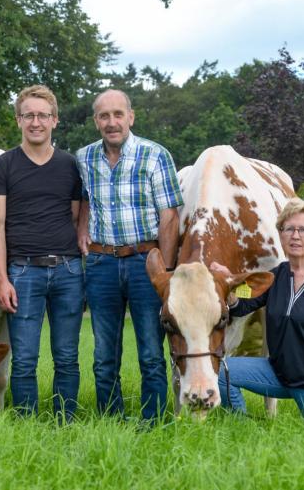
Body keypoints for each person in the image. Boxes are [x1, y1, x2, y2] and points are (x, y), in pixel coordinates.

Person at [76, 89, 183, 422]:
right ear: (96, 121)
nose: (112, 123)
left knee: (151, 351)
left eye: (118, 115)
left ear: (130, 117)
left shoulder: (155, 155)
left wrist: (163, 272)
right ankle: (111, 416)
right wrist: (81, 230)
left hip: (144, 261)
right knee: (104, 352)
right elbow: (83, 203)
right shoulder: (84, 158)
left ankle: (152, 420)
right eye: (104, 116)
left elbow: (169, 217)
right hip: (101, 263)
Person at [0, 84, 84, 422]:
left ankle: (65, 422)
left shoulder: (71, 165)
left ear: (55, 120)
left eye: (43, 115)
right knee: (24, 358)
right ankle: (26, 424)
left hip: (69, 271)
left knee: (67, 356)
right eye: (29, 115)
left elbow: (75, 216)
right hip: (23, 272)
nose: (36, 122)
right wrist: (2, 279)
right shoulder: (2, 166)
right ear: (18, 120)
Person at [211, 198, 304, 424]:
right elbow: (243, 307)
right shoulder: (278, 275)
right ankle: (243, 426)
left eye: (303, 230)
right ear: (281, 235)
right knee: (220, 371)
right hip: (275, 373)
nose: (295, 236)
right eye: (289, 229)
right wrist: (228, 284)